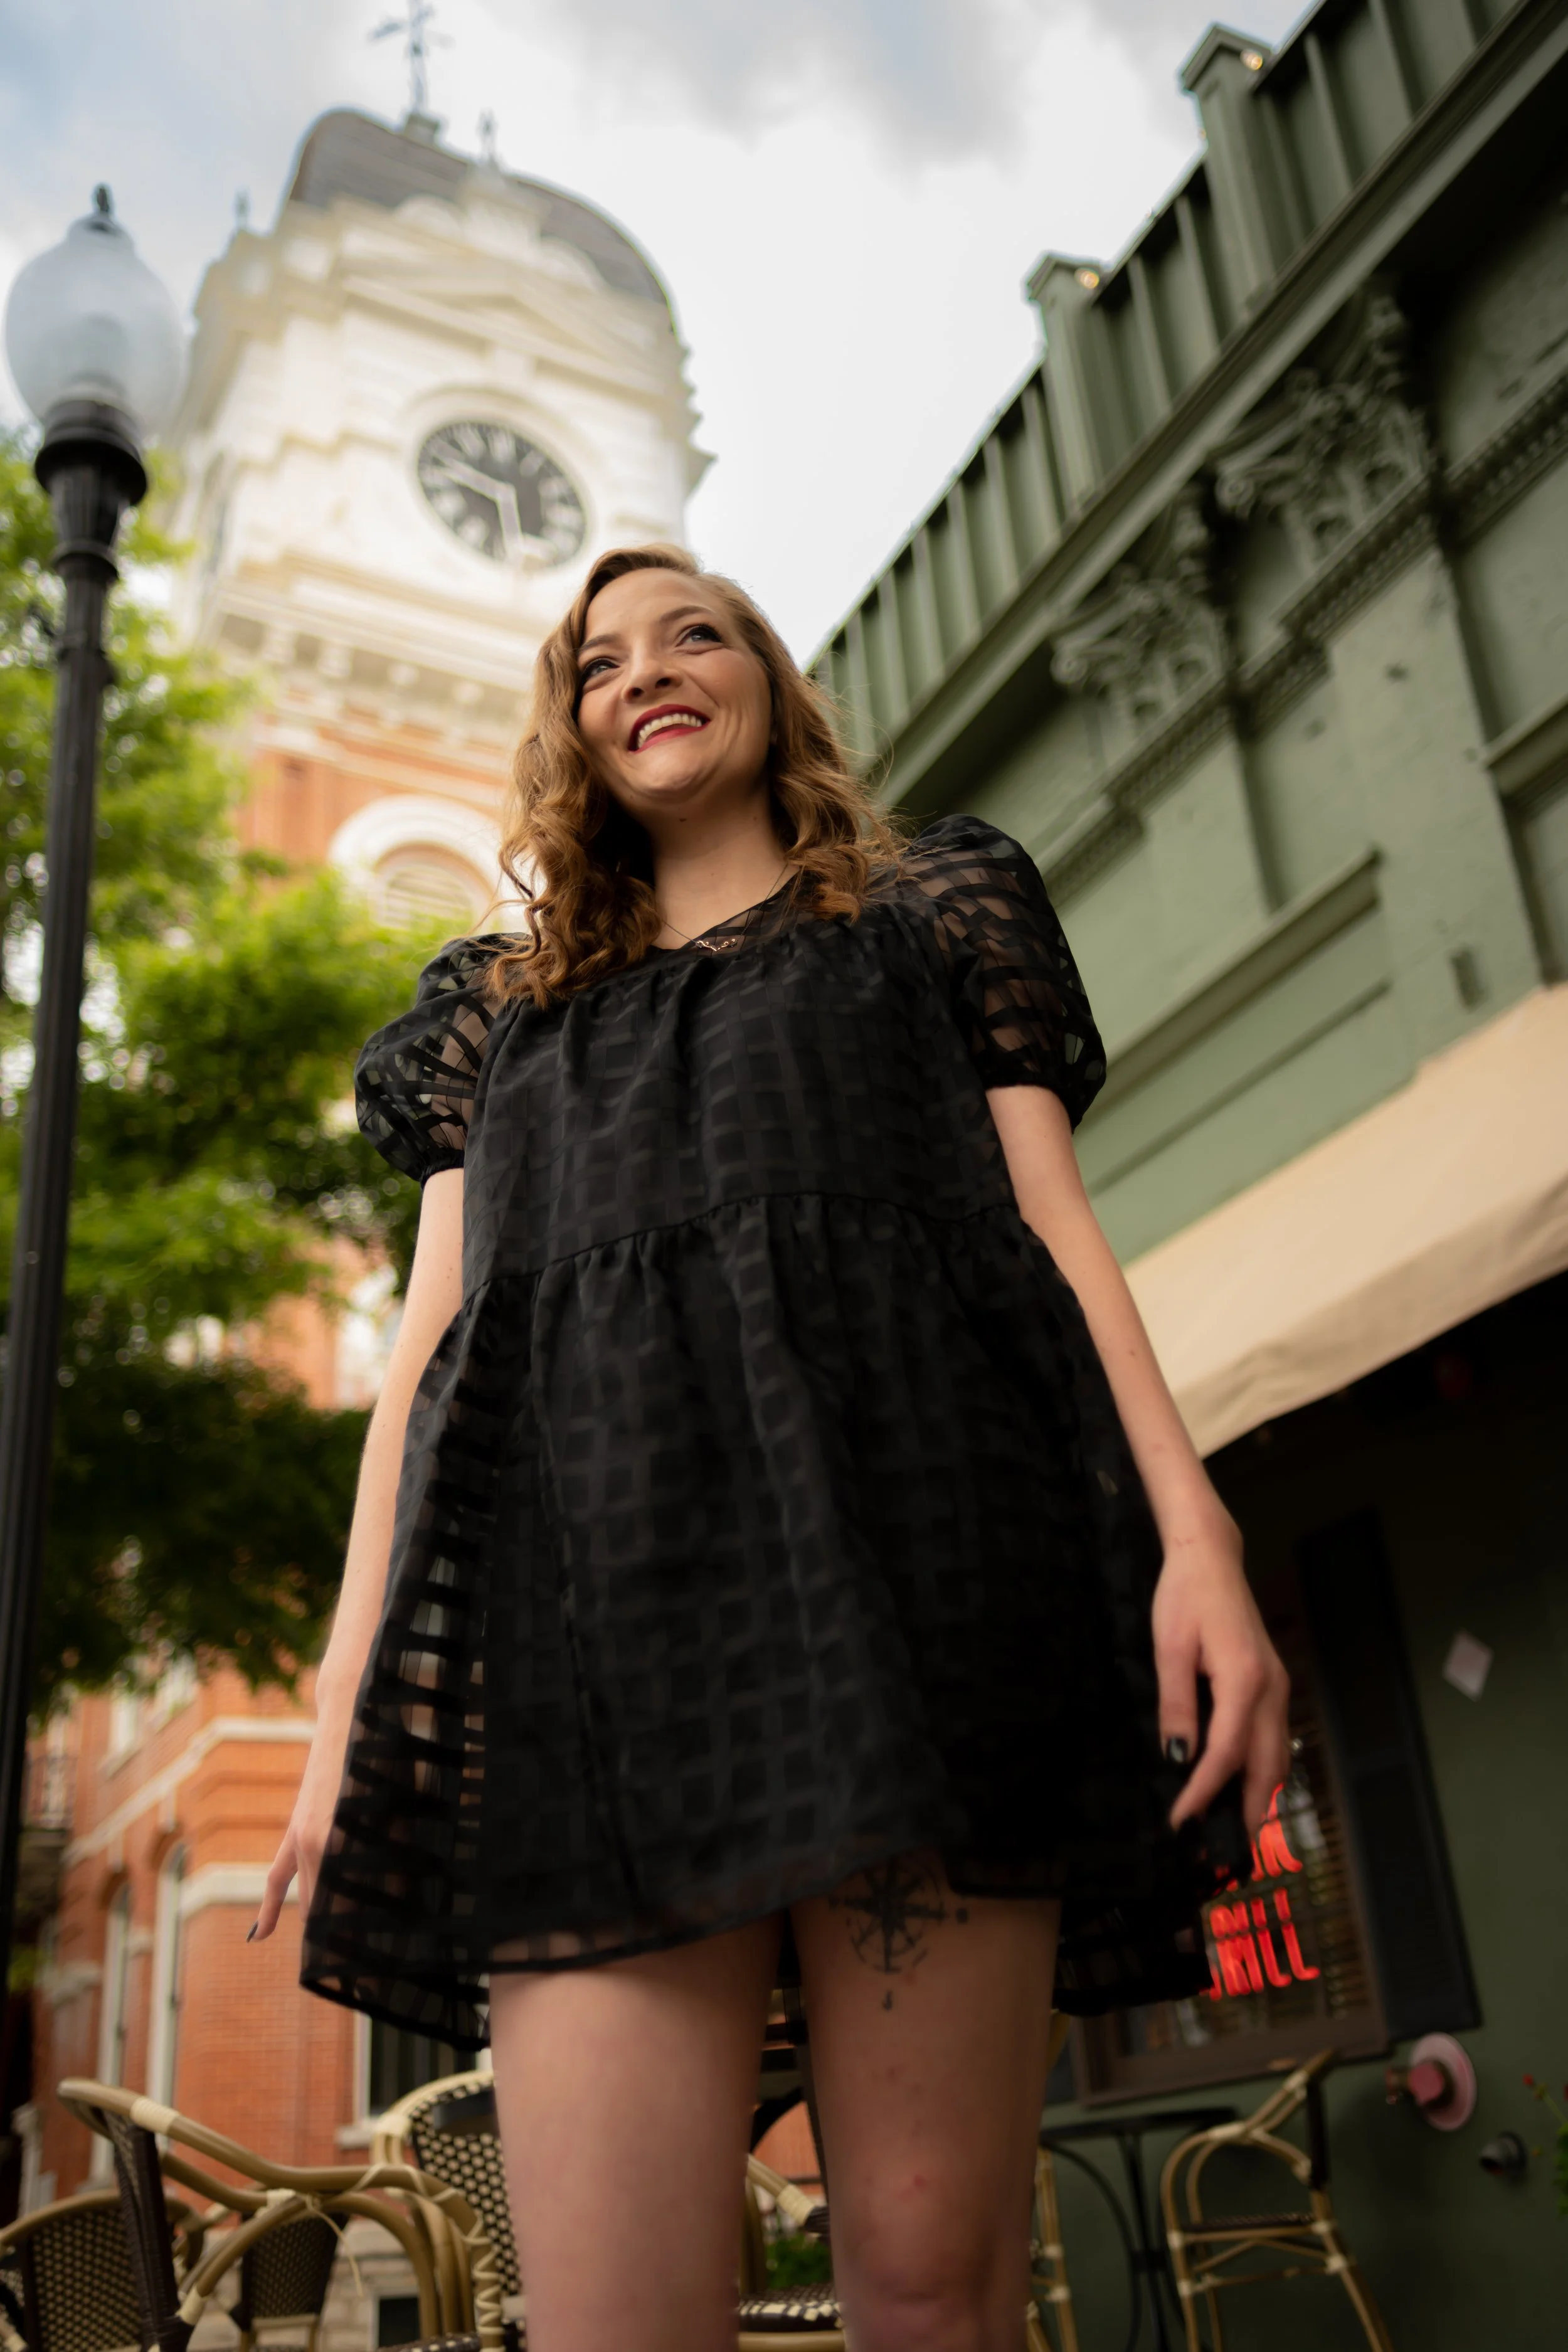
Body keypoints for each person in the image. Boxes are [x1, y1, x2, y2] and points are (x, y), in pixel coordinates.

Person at [256, 543, 1289, 2352]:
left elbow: (1053, 1227)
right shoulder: (491, 1016)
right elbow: (427, 1359)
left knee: (923, 2285)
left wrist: (1192, 1538)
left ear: (768, 683)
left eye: (694, 632)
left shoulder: (929, 913)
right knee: (612, 2321)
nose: (647, 670)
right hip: (595, 1659)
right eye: (598, 660)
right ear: (571, 729)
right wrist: (353, 1695)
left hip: (925, 1608)